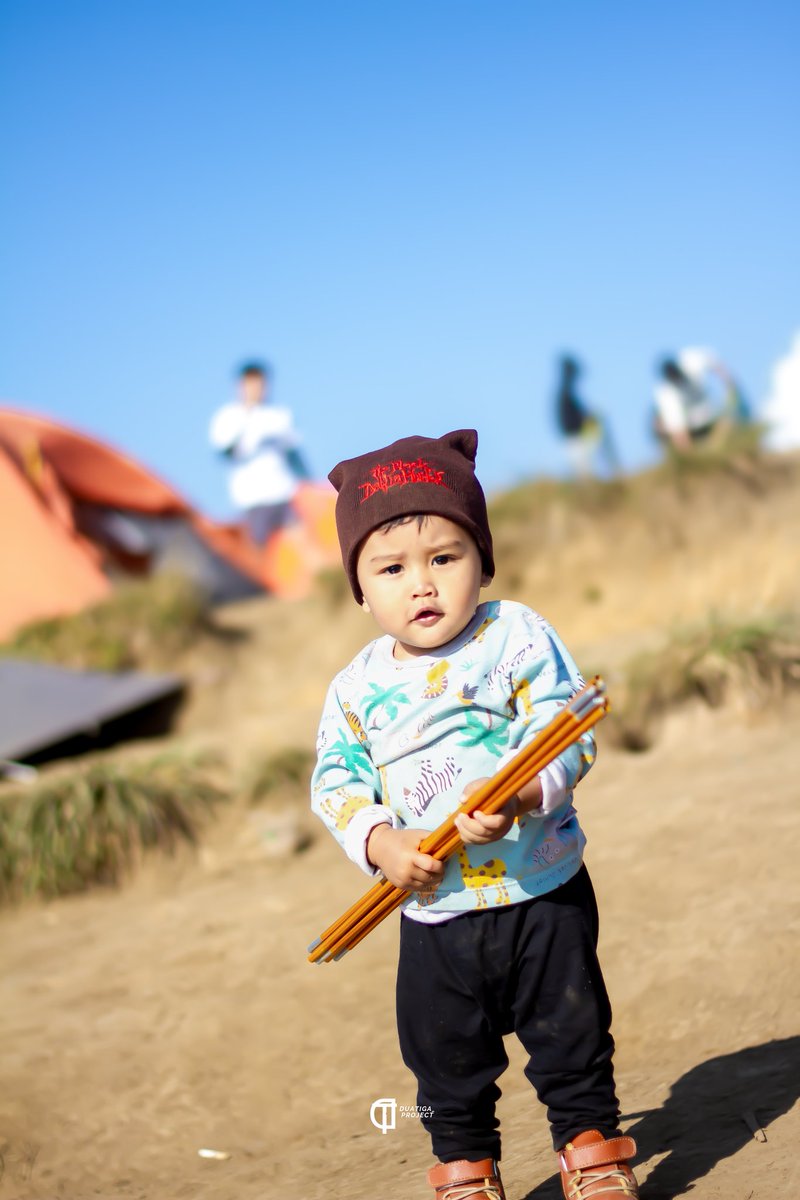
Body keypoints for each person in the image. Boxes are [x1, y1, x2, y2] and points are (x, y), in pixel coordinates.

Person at [311, 429, 639, 1200]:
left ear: (482, 561)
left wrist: (518, 795)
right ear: (360, 587)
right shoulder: (355, 688)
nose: (421, 585)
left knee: (571, 1033)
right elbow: (336, 782)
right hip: (435, 911)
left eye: (444, 558)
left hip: (541, 888)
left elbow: (568, 730)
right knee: (442, 1059)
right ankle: (465, 1168)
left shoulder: (513, 634)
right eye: (391, 569)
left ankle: (591, 1148)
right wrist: (382, 844)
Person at [208, 361, 311, 547]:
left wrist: (308, 483)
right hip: (253, 499)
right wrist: (247, 417)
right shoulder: (229, 416)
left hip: (285, 495)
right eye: (251, 384)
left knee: (300, 545)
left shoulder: (280, 415)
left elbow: (294, 454)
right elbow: (225, 452)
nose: (256, 389)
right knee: (259, 550)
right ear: (240, 386)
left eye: (260, 384)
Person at [653, 348, 750, 451]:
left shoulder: (691, 361)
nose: (679, 381)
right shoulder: (666, 395)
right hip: (692, 425)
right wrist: (689, 454)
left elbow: (715, 365)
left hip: (710, 411)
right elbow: (679, 432)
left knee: (735, 411)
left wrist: (729, 384)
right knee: (659, 424)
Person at [555, 355, 618, 478]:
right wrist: (587, 419)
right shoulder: (565, 394)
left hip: (577, 438)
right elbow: (571, 420)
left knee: (586, 470)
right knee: (584, 471)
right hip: (576, 439)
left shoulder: (566, 393)